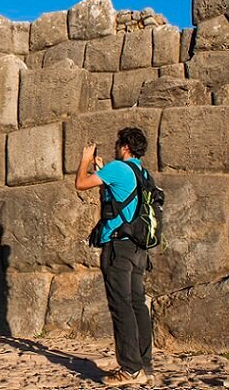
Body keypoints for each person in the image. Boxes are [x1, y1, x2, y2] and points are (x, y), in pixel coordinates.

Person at [74, 127, 153, 387]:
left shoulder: (119, 168)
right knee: (138, 305)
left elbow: (81, 184)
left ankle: (130, 369)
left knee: (121, 306)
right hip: (138, 248)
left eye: (119, 144)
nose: (117, 148)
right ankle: (145, 366)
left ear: (125, 147)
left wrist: (85, 160)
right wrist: (102, 168)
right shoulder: (142, 173)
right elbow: (121, 198)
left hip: (118, 247)